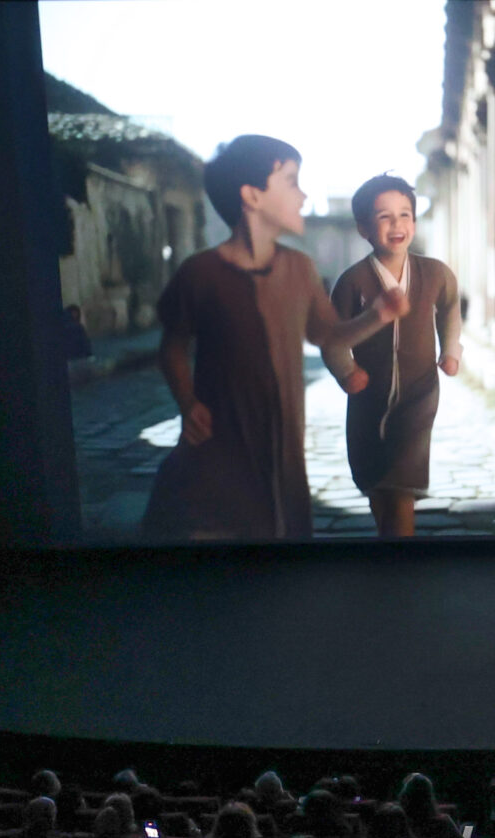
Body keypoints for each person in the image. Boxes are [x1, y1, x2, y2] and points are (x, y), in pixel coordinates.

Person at [141, 134, 410, 540]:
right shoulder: (200, 273)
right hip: (221, 442)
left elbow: (327, 333)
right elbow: (172, 348)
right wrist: (187, 401)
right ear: (252, 196)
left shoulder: (299, 269)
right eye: (291, 182)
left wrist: (377, 315)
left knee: (281, 532)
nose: (303, 196)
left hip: (282, 445)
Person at [327, 173, 462, 539]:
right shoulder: (353, 282)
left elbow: (450, 308)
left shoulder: (434, 273)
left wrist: (451, 349)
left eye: (404, 215)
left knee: (402, 483)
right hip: (367, 396)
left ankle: (401, 560)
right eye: (384, 217)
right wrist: (345, 371)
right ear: (363, 228)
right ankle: (389, 538)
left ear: (414, 222)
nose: (397, 224)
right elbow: (332, 337)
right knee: (375, 479)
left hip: (420, 393)